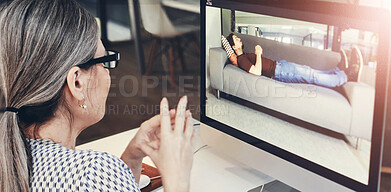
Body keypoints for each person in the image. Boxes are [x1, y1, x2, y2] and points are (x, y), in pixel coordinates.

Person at [0, 0, 194, 191]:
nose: (108, 72)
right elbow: (91, 180)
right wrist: (176, 176)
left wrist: (131, 158)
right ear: (77, 82)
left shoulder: (11, 157)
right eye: (104, 62)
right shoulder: (92, 172)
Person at [224, 33, 361, 88]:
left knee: (309, 71)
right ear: (234, 46)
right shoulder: (241, 59)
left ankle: (339, 70)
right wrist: (258, 54)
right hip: (279, 72)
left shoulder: (243, 56)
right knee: (311, 75)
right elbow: (256, 72)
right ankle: (345, 77)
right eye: (237, 39)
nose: (240, 39)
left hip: (280, 67)